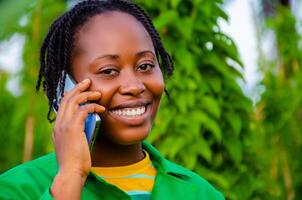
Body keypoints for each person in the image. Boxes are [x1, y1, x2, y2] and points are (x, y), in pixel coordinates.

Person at [0, 0, 224, 199]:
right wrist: (70, 178)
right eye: (108, 71)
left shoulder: (201, 193)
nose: (134, 86)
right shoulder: (17, 190)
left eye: (145, 66)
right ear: (66, 87)